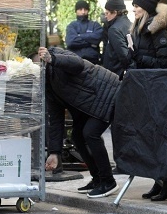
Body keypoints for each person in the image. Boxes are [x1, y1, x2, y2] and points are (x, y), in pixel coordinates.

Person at [39, 46, 118, 198]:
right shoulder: (48, 86)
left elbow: (78, 63)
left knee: (90, 133)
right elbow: (56, 120)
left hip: (107, 93)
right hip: (91, 104)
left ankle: (108, 181)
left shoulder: (55, 53)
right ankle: (97, 179)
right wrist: (55, 152)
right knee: (77, 135)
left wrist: (52, 59)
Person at [127, 0, 167, 201]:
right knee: (149, 138)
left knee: (159, 139)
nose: (134, 10)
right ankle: (159, 181)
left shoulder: (158, 33)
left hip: (159, 92)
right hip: (146, 91)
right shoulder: (140, 31)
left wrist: (137, 56)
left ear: (147, 10)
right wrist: (131, 56)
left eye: (137, 7)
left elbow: (165, 63)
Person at [101, 0, 131, 76]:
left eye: (107, 13)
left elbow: (124, 55)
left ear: (115, 12)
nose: (105, 16)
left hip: (115, 75)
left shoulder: (114, 29)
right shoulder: (129, 24)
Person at [65, 0, 103, 64]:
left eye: (85, 9)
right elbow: (70, 42)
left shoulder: (95, 25)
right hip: (74, 62)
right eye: (80, 9)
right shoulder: (71, 26)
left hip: (92, 62)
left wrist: (79, 36)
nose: (83, 12)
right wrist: (91, 43)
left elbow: (97, 38)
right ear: (76, 11)